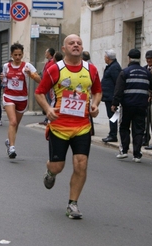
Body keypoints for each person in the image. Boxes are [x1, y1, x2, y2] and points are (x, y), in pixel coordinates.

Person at [35, 34, 102, 219]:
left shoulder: (92, 70)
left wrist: (95, 105)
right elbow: (39, 92)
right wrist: (48, 108)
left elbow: (97, 91)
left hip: (82, 126)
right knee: (58, 166)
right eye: (71, 43)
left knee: (81, 164)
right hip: (59, 125)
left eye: (79, 43)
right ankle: (50, 172)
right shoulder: (55, 69)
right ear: (64, 49)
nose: (76, 45)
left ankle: (72, 204)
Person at [111, 49, 152, 162]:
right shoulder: (146, 72)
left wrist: (114, 104)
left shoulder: (125, 72)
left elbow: (118, 90)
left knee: (124, 127)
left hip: (127, 105)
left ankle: (124, 151)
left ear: (129, 58)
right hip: (142, 105)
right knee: (139, 129)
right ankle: (137, 154)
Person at [2, 42, 41, 158]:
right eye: (15, 55)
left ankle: (9, 141)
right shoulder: (6, 66)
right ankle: (12, 148)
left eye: (19, 55)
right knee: (13, 122)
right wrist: (2, 79)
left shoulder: (27, 66)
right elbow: (4, 82)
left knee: (16, 124)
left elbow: (40, 80)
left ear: (22, 54)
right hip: (9, 96)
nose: (18, 57)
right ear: (11, 55)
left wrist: (31, 74)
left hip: (22, 98)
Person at [101, 49, 122, 143]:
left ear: (108, 58)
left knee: (113, 115)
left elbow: (118, 82)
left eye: (105, 56)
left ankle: (113, 135)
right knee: (111, 116)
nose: (104, 58)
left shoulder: (114, 68)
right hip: (108, 96)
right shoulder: (111, 66)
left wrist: (115, 98)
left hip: (111, 97)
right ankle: (112, 133)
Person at [142, 50, 152, 146]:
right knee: (145, 120)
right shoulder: (144, 69)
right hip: (145, 98)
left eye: (151, 58)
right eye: (147, 58)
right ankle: (145, 137)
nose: (149, 60)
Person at [39, 48, 55, 126]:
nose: (45, 53)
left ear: (49, 53)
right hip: (46, 84)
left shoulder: (52, 62)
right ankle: (47, 119)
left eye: (46, 52)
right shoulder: (48, 62)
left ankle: (48, 118)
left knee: (50, 101)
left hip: (49, 85)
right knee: (48, 101)